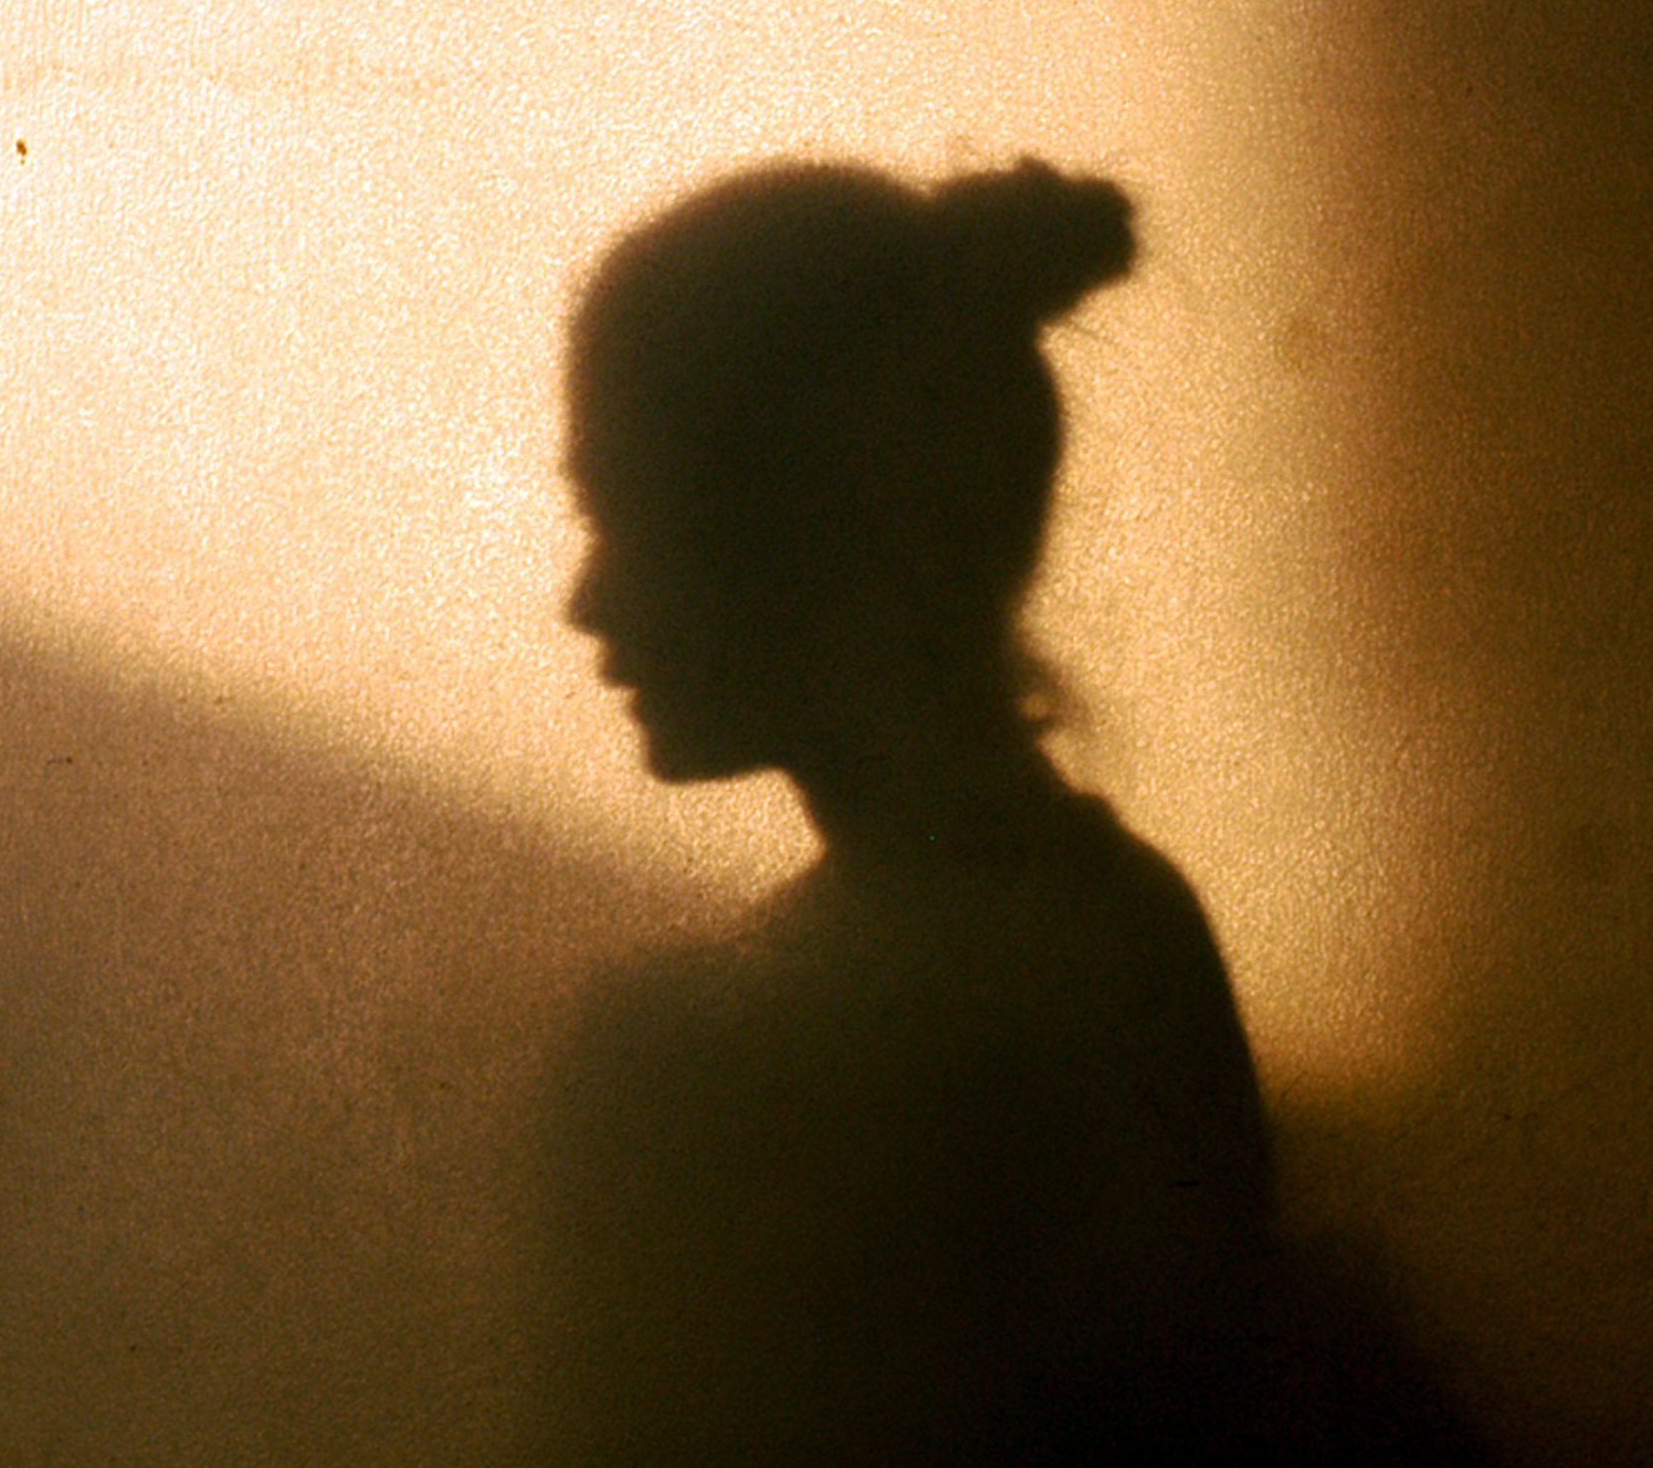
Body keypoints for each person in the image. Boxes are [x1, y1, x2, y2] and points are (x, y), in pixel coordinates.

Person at [535, 159, 1447, 1465]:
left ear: (834, 534)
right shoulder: (1071, 935)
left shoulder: (1034, 978)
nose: (587, 599)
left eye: (630, 516)